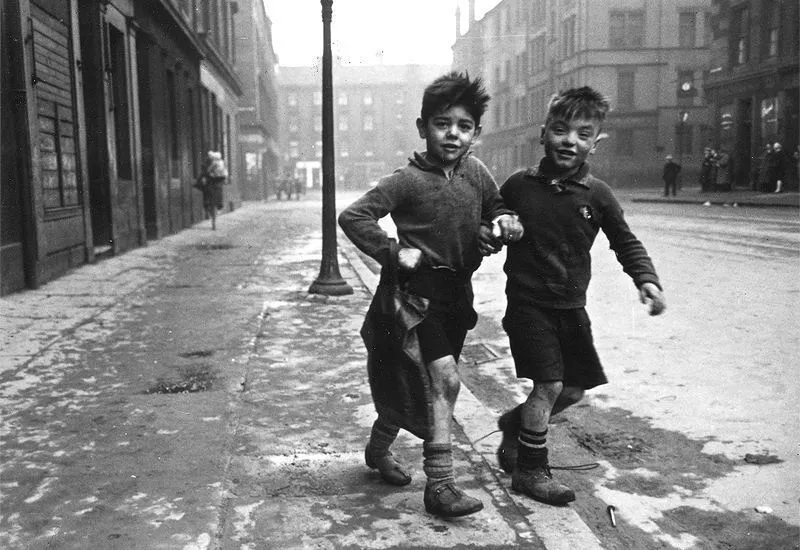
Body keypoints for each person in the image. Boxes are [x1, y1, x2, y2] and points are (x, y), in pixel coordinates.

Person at [338, 72, 523, 518]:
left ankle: (377, 450)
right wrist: (393, 251)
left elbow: (495, 209)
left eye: (463, 126)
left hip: (454, 297)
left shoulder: (476, 172)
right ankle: (440, 486)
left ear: (476, 133)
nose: (453, 134)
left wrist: (502, 225)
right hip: (411, 299)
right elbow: (353, 216)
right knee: (444, 381)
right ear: (423, 127)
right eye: (442, 124)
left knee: (417, 386)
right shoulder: (405, 180)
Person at [486, 87, 666, 505]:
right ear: (543, 132)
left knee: (572, 391)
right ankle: (531, 471)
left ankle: (514, 425)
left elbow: (626, 241)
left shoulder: (596, 194)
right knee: (549, 384)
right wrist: (496, 228)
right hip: (529, 305)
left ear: (596, 142)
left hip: (571, 308)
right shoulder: (518, 186)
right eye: (561, 130)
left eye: (583, 134)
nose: (571, 141)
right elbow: (489, 221)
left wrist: (646, 278)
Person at [195, 151, 227, 230]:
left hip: (211, 185)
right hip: (217, 185)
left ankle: (209, 211)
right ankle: (217, 210)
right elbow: (224, 175)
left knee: (208, 199)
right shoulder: (221, 163)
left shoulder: (210, 164)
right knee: (217, 200)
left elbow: (206, 173)